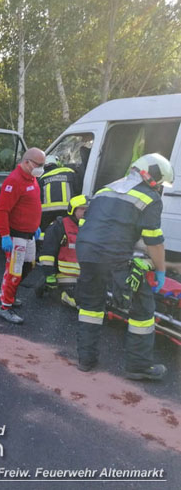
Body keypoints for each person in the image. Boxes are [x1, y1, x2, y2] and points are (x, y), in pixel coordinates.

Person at [74, 153, 173, 380]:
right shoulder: (150, 197)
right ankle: (138, 366)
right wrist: (160, 270)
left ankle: (86, 360)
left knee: (90, 307)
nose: (159, 187)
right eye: (159, 182)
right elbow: (153, 240)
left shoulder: (105, 189)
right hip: (116, 257)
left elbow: (94, 224)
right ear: (152, 177)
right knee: (142, 309)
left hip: (87, 252)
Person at [0, 148, 45, 324]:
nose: (41, 168)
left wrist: (35, 225)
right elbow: (2, 210)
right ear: (27, 162)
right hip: (17, 236)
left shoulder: (32, 178)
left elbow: (31, 205)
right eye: (38, 164)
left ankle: (6, 292)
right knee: (14, 272)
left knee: (28, 266)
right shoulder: (14, 181)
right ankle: (5, 307)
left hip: (29, 234)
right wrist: (5, 235)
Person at [36, 194, 89, 307]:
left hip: (83, 276)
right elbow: (47, 253)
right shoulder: (59, 226)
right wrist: (50, 275)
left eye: (87, 209)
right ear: (72, 210)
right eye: (82, 209)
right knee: (77, 302)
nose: (85, 212)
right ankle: (51, 287)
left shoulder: (90, 227)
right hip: (64, 274)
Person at [38, 154, 76, 234]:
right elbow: (78, 189)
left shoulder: (41, 178)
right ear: (57, 162)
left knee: (46, 235)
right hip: (67, 211)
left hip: (47, 213)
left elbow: (38, 197)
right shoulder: (69, 172)